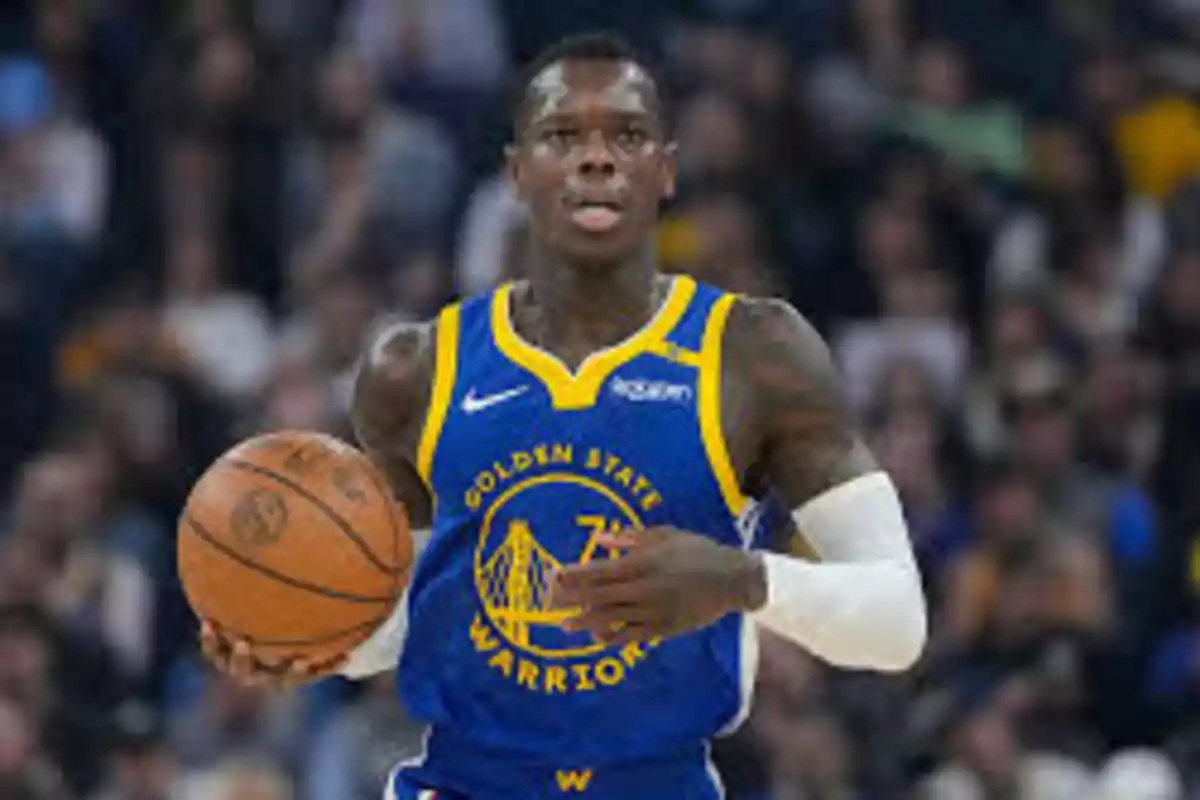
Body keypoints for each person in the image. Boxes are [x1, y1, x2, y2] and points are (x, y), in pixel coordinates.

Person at [200, 33, 928, 799]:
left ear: (666, 168)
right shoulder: (415, 370)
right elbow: (410, 621)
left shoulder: (756, 352)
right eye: (562, 136)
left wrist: (743, 580)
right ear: (518, 172)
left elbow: (897, 621)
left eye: (627, 135)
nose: (596, 157)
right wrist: (303, 637)